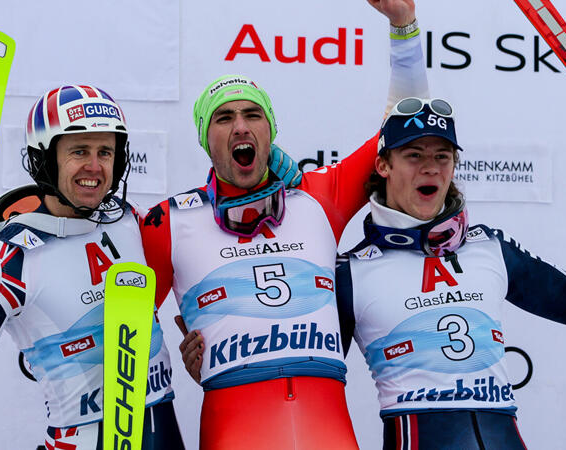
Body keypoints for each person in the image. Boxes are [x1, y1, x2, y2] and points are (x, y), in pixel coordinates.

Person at [141, 1, 427, 447]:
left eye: (252, 115)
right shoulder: (168, 221)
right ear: (205, 137)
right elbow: (120, 318)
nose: (240, 127)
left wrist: (403, 27)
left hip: (327, 428)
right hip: (233, 426)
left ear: (270, 129)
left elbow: (404, 128)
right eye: (224, 117)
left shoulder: (316, 197)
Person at [332, 96, 566, 448]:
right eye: (414, 155)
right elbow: (314, 388)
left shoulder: (488, 247)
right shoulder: (351, 273)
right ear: (383, 166)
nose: (431, 167)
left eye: (442, 156)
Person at [0, 85, 185, 450]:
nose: (94, 166)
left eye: (105, 151)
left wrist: (284, 179)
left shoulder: (130, 221)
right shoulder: (8, 258)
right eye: (79, 151)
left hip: (163, 432)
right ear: (45, 158)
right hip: (80, 439)